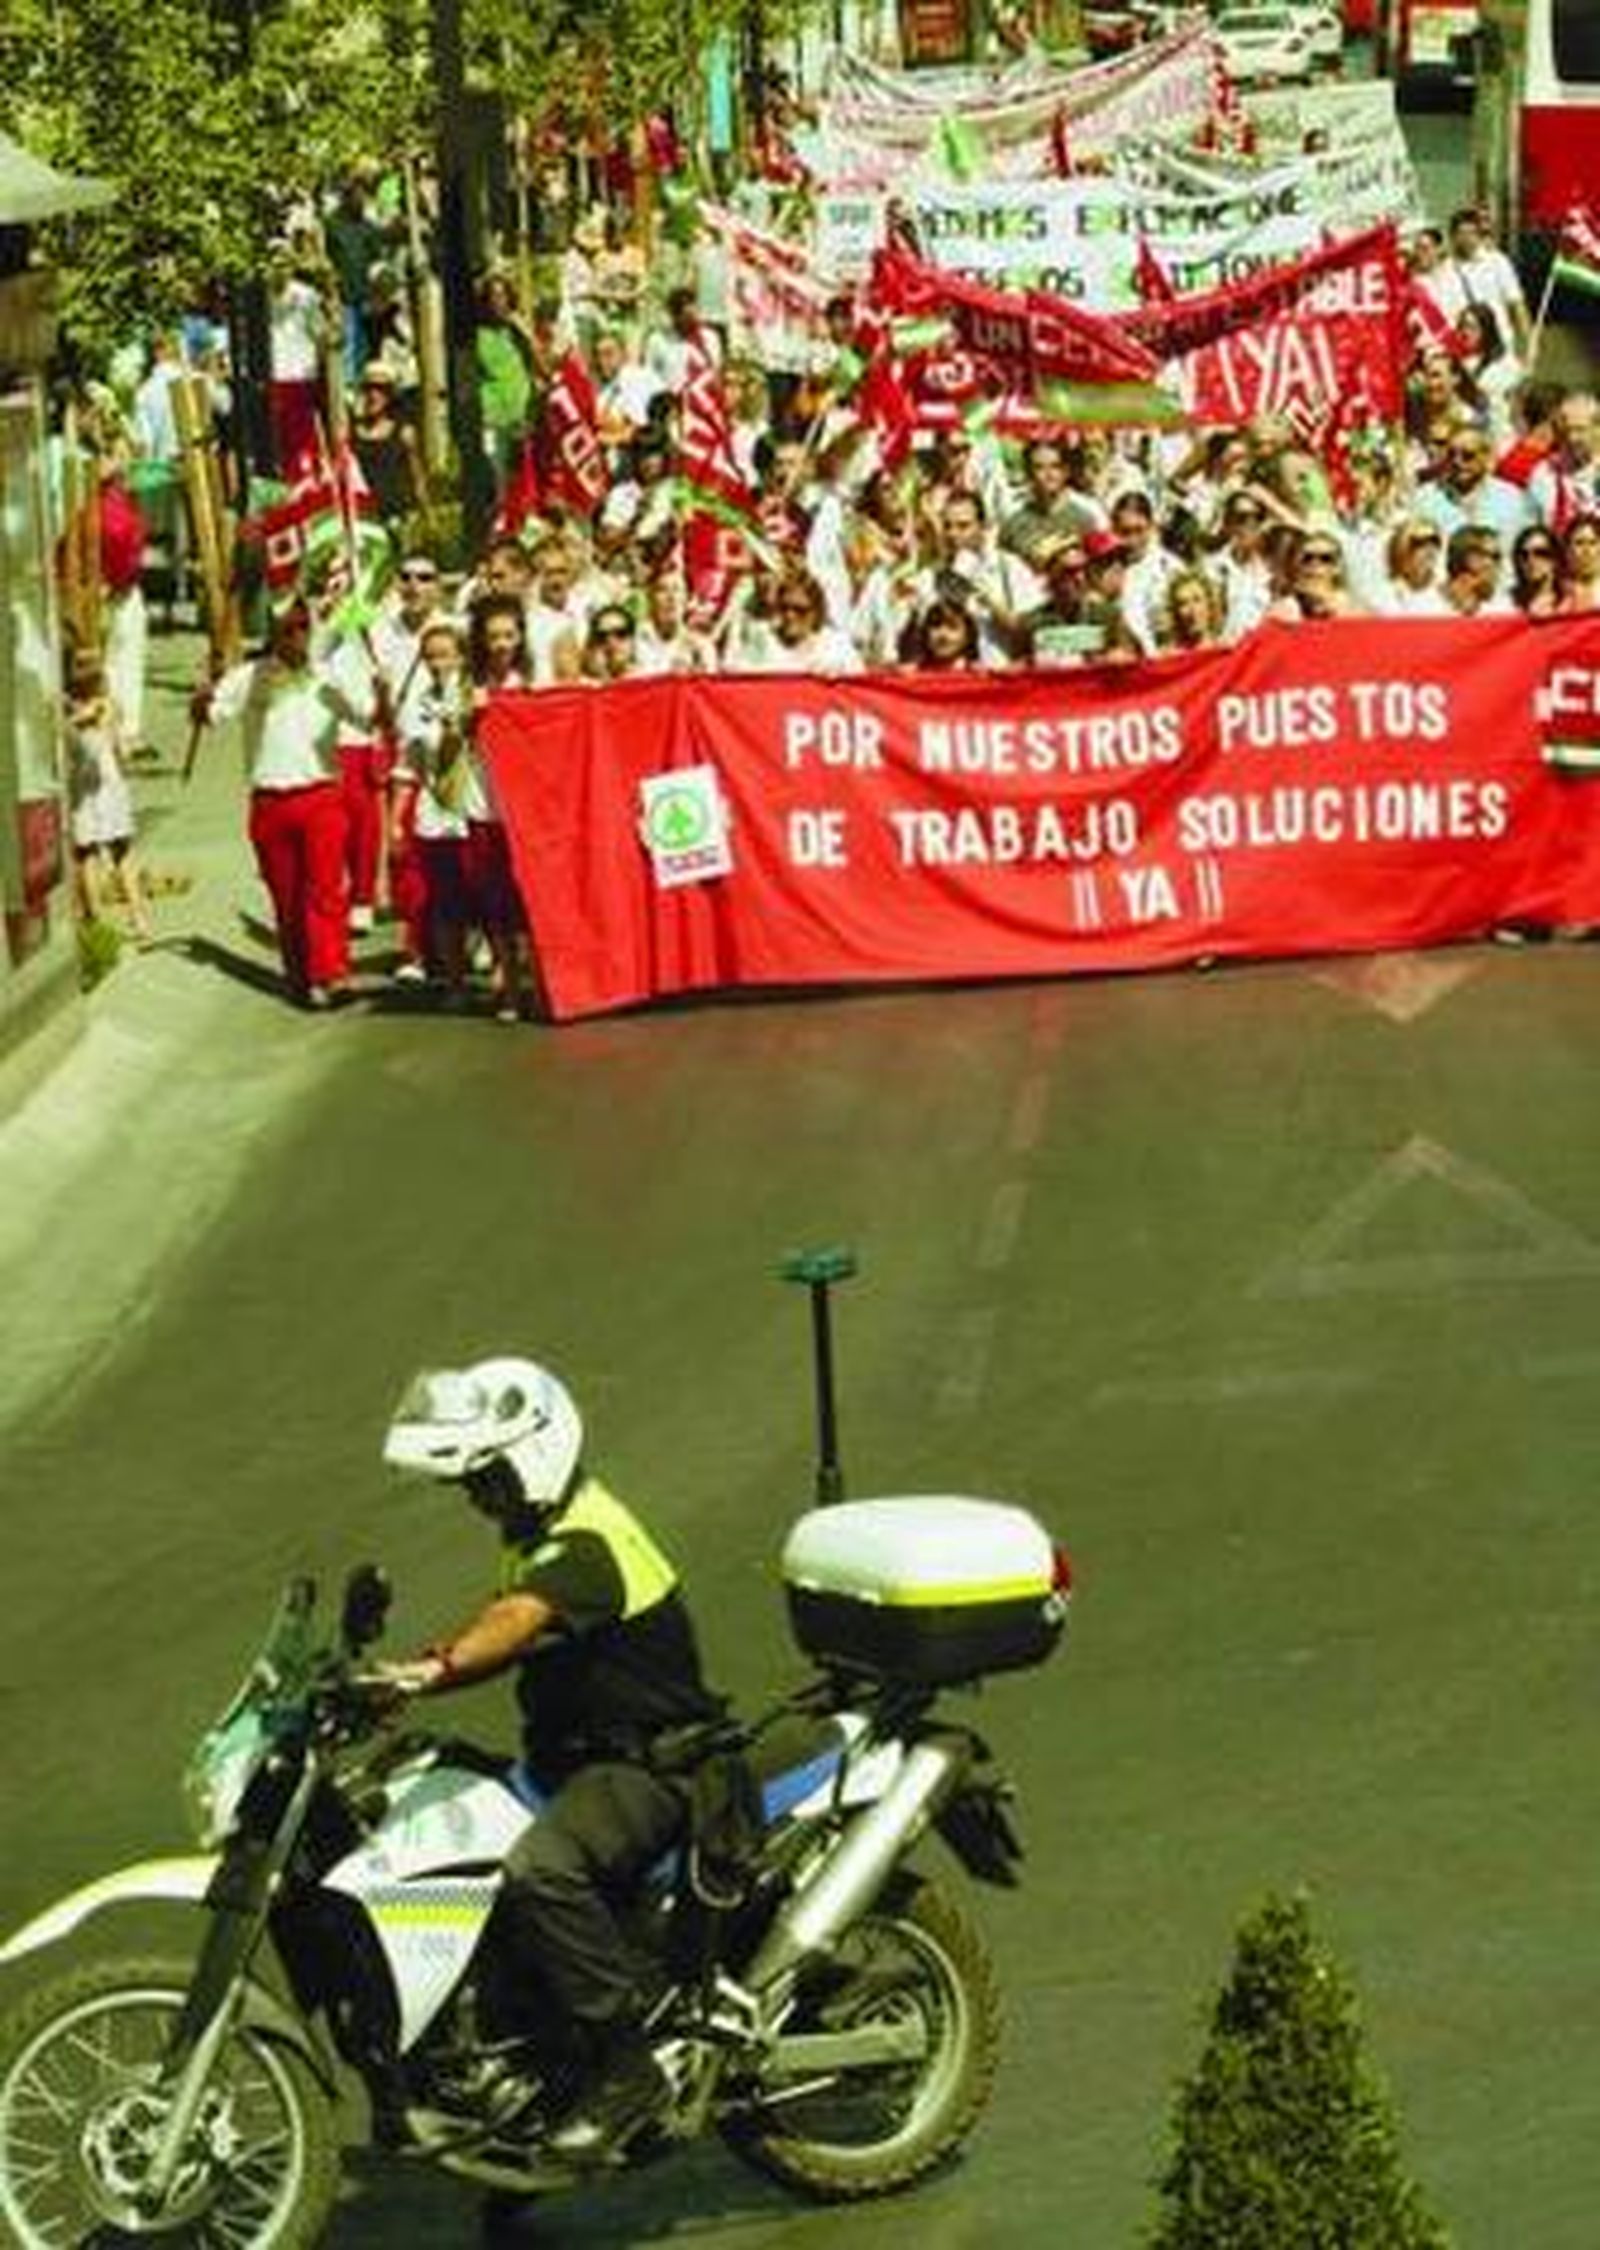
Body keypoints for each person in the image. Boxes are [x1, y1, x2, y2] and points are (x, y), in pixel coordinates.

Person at [377, 1356, 723, 2162]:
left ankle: (628, 2070)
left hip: (651, 1768)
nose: (477, 1496)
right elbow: (507, 1628)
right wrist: (397, 1680)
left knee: (542, 1870)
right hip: (577, 1762)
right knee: (430, 1794)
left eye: (487, 1477)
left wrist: (431, 1670)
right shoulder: (538, 1537)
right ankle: (523, 2072)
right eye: (471, 1483)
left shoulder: (587, 1541)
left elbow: (514, 1623)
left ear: (533, 1451)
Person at [194, 597, 379, 1007]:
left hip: (321, 796)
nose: (296, 637)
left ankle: (332, 974)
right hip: (270, 802)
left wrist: (381, 694)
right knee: (287, 896)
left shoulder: (328, 676)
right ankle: (301, 976)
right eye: (286, 629)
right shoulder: (250, 677)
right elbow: (212, 715)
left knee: (326, 890)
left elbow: (367, 717)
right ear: (273, 633)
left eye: (301, 628)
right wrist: (202, 699)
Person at [66, 648, 153, 945]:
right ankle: (138, 918)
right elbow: (121, 751)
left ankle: (98, 922)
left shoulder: (73, 709)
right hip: (110, 783)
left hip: (84, 786)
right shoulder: (109, 705)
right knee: (121, 851)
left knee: (87, 853)